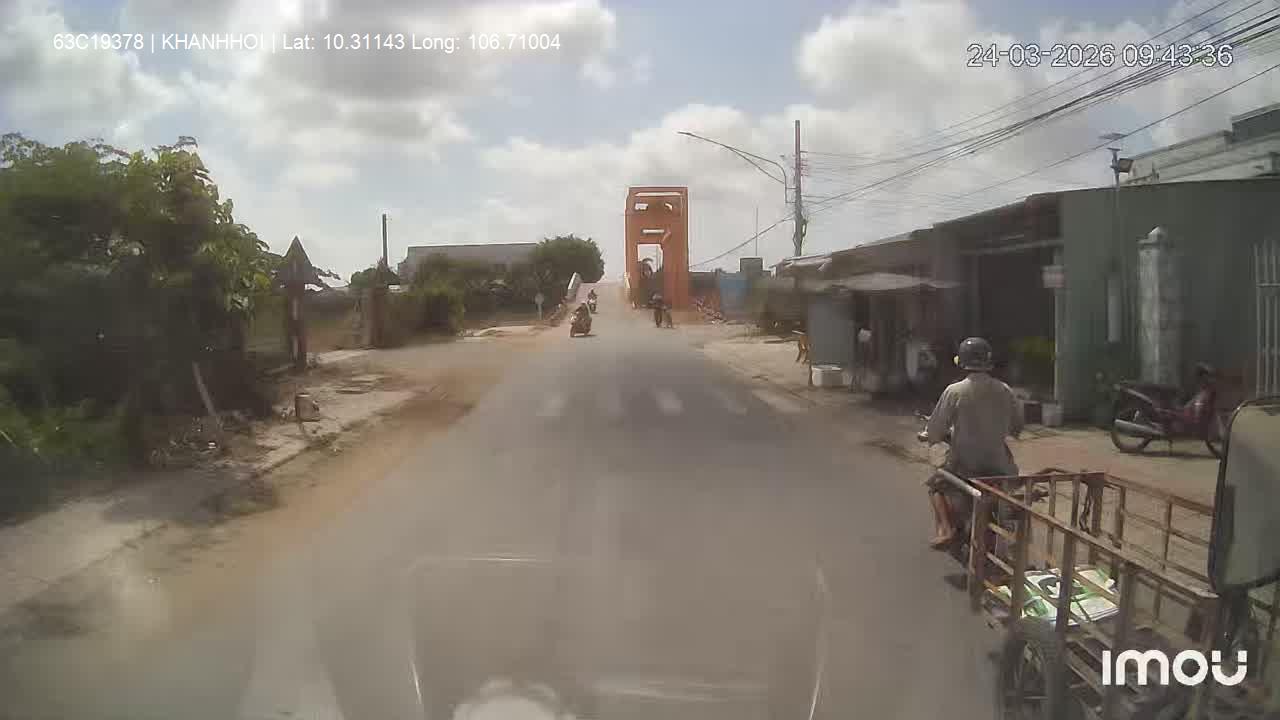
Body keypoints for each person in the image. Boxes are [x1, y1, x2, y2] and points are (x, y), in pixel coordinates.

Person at [921, 337, 1023, 549]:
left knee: (935, 486)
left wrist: (931, 436)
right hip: (1000, 467)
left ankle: (946, 530)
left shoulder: (955, 391)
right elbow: (1017, 428)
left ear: (961, 362)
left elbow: (935, 430)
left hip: (965, 467)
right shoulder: (1005, 390)